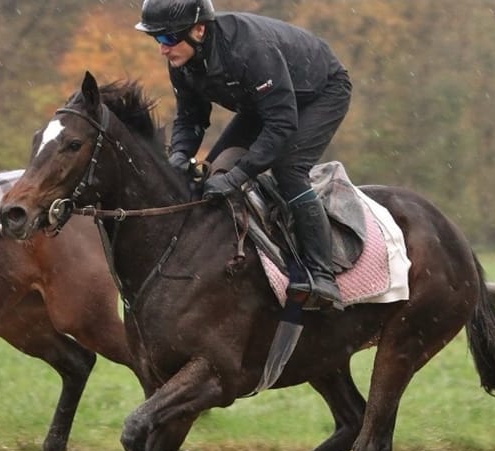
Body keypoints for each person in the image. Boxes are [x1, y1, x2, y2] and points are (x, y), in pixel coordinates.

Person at [135, 0, 352, 307]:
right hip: (265, 102)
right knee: (211, 173)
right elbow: (190, 119)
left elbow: (281, 124)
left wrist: (238, 177)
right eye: (156, 39)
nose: (163, 49)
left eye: (168, 38)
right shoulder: (181, 62)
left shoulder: (249, 50)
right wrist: (180, 157)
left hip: (321, 93)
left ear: (198, 30)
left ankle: (322, 273)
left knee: (288, 170)